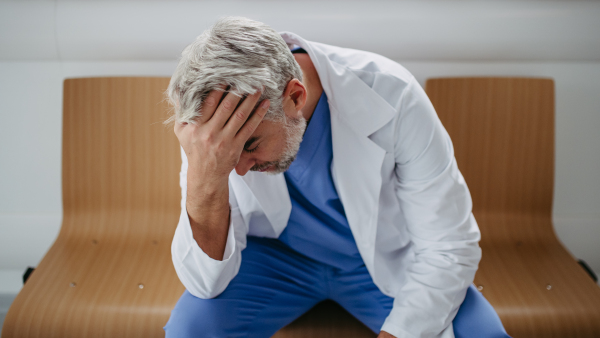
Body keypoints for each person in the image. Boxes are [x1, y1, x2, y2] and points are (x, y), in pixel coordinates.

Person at [164, 16, 510, 338]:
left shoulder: (393, 93)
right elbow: (204, 282)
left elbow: (448, 246)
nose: (237, 168)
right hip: (273, 261)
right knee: (188, 330)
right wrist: (204, 176)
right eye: (227, 156)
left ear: (295, 97)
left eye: (250, 144)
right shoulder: (210, 132)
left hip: (383, 259)